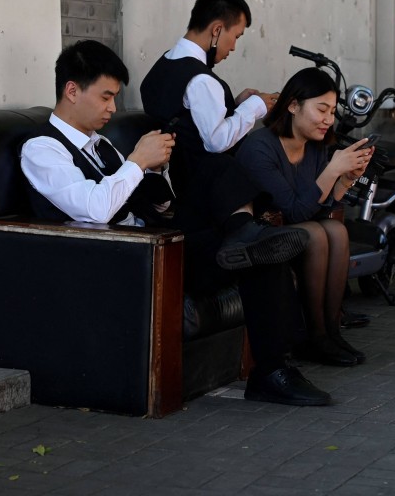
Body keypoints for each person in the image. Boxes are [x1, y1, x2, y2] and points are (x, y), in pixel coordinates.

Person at [23, 39, 329, 407]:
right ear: (72, 91)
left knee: (256, 237)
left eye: (114, 98)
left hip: (157, 242)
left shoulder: (101, 145)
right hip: (121, 263)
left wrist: (157, 172)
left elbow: (155, 203)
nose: (112, 108)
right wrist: (137, 161)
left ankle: (273, 368)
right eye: (106, 97)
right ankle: (245, 241)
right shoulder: (42, 148)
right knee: (246, 230)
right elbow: (94, 208)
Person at [141, 0, 335, 403]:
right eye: (235, 36)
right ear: (216, 30)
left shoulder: (160, 70)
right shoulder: (201, 79)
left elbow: (192, 128)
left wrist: (235, 104)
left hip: (184, 205)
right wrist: (255, 107)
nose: (232, 47)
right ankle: (274, 371)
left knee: (264, 256)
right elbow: (214, 141)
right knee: (230, 173)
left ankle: (274, 369)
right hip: (195, 213)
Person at [236, 68, 372, 366]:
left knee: (336, 230)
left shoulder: (315, 147)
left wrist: (345, 179)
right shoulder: (260, 147)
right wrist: (332, 170)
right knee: (318, 233)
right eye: (321, 109)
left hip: (296, 229)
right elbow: (294, 211)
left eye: (332, 111)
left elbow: (319, 209)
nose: (328, 120)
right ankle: (313, 337)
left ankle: (332, 333)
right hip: (261, 235)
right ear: (293, 105)